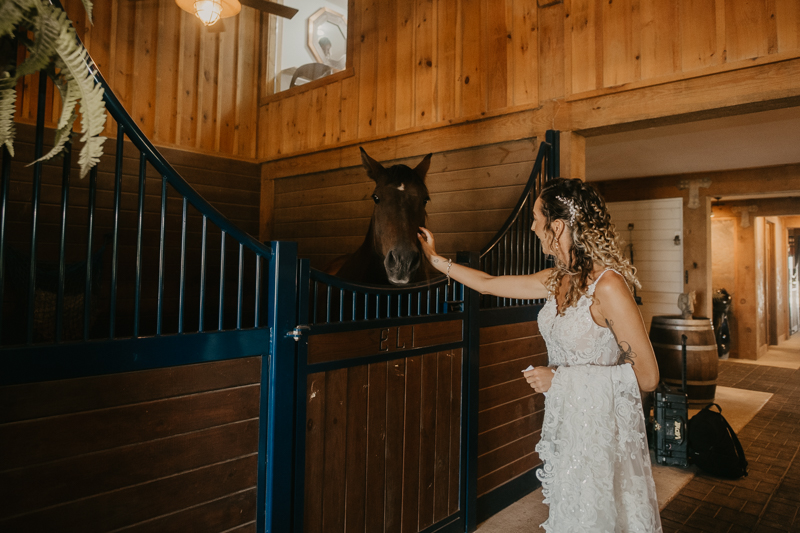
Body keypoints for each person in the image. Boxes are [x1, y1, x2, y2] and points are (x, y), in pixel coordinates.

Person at [417, 177, 662, 532]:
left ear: (557, 226)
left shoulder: (607, 286)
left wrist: (560, 379)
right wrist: (437, 260)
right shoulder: (555, 279)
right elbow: (487, 283)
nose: (532, 225)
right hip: (565, 420)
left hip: (599, 428)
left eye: (535, 217)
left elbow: (648, 377)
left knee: (597, 515)